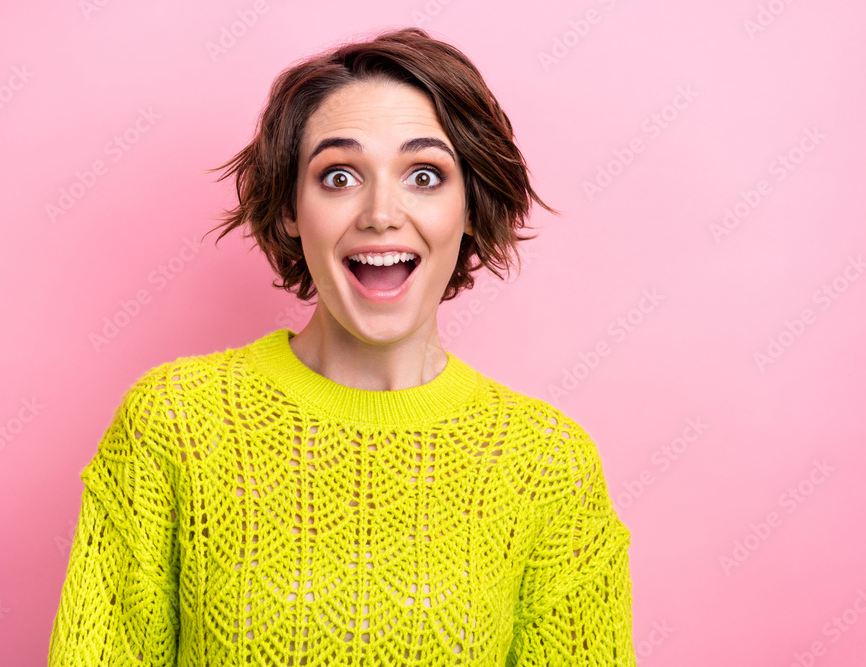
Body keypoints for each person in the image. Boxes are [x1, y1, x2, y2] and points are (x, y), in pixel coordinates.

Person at [48, 26, 635, 666]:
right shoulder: (174, 421)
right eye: (338, 177)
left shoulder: (547, 464)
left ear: (468, 206)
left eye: (424, 174)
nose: (381, 212)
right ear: (291, 210)